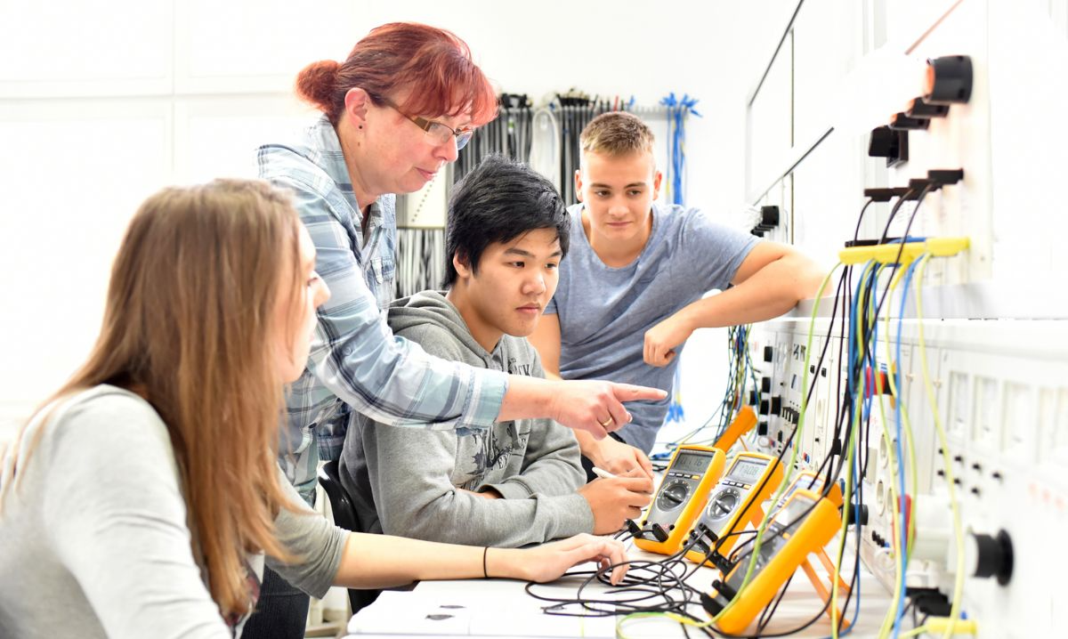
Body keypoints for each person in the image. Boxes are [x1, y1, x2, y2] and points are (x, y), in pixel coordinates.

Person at [0, 180, 630, 639]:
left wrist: (516, 559)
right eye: (305, 278)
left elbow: (329, 552)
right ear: (232, 301)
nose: (325, 293)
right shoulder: (111, 432)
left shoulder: (216, 436)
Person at [254, 23, 660, 632]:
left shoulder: (377, 196)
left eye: (460, 133)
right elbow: (374, 372)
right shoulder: (299, 195)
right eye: (434, 128)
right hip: (238, 485)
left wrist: (505, 507)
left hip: (286, 493)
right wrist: (558, 418)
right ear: (360, 109)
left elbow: (552, 465)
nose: (449, 152)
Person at [340, 157, 653, 547]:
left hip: (501, 562)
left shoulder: (518, 346)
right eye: (518, 262)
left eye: (551, 265)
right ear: (463, 260)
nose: (538, 285)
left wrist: (489, 504)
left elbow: (565, 462)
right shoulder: (419, 353)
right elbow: (421, 521)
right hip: (420, 591)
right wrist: (579, 512)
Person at [529, 112, 825, 478]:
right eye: (602, 192)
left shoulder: (686, 237)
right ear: (579, 185)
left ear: (656, 184)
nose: (618, 208)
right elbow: (542, 373)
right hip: (558, 425)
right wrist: (595, 444)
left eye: (634, 191)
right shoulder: (553, 245)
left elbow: (805, 274)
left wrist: (690, 317)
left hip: (619, 440)